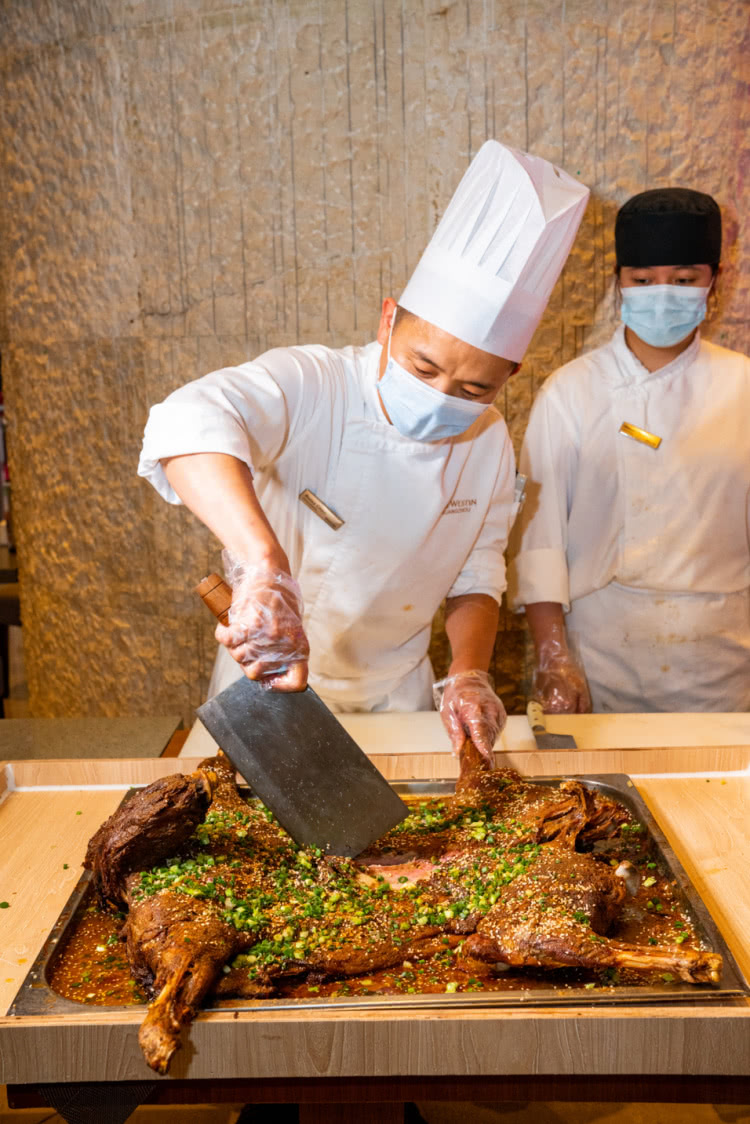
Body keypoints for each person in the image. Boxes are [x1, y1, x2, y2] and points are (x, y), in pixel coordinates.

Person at [139, 141, 589, 757]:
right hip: (266, 681)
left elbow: (476, 575)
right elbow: (189, 421)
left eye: (475, 387)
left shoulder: (487, 444)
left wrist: (468, 672)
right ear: (386, 321)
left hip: (396, 697)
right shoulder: (316, 384)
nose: (440, 397)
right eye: (423, 366)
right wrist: (262, 563)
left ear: (509, 374)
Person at [508, 187, 750, 713]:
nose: (663, 294)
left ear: (716, 280)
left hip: (723, 661)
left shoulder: (743, 386)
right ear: (618, 282)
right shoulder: (570, 392)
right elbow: (540, 541)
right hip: (599, 655)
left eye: (685, 280)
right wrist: (554, 657)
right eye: (643, 281)